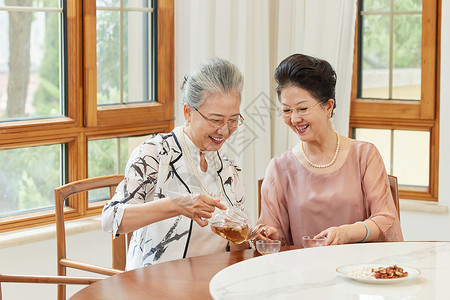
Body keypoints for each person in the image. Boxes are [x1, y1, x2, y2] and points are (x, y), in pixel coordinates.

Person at [102, 57, 250, 270]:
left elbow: (238, 246)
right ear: (188, 112)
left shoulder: (229, 169)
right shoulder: (154, 154)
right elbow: (110, 218)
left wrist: (254, 235)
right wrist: (177, 205)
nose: (224, 130)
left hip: (211, 285)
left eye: (233, 120)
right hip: (155, 286)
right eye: (216, 120)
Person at [258, 53, 403, 246]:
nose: (294, 119)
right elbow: (272, 236)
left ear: (328, 106)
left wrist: (347, 233)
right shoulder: (279, 168)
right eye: (286, 110)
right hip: (303, 272)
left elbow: (385, 218)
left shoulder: (365, 156)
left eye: (302, 109)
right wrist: (268, 235)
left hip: (359, 270)